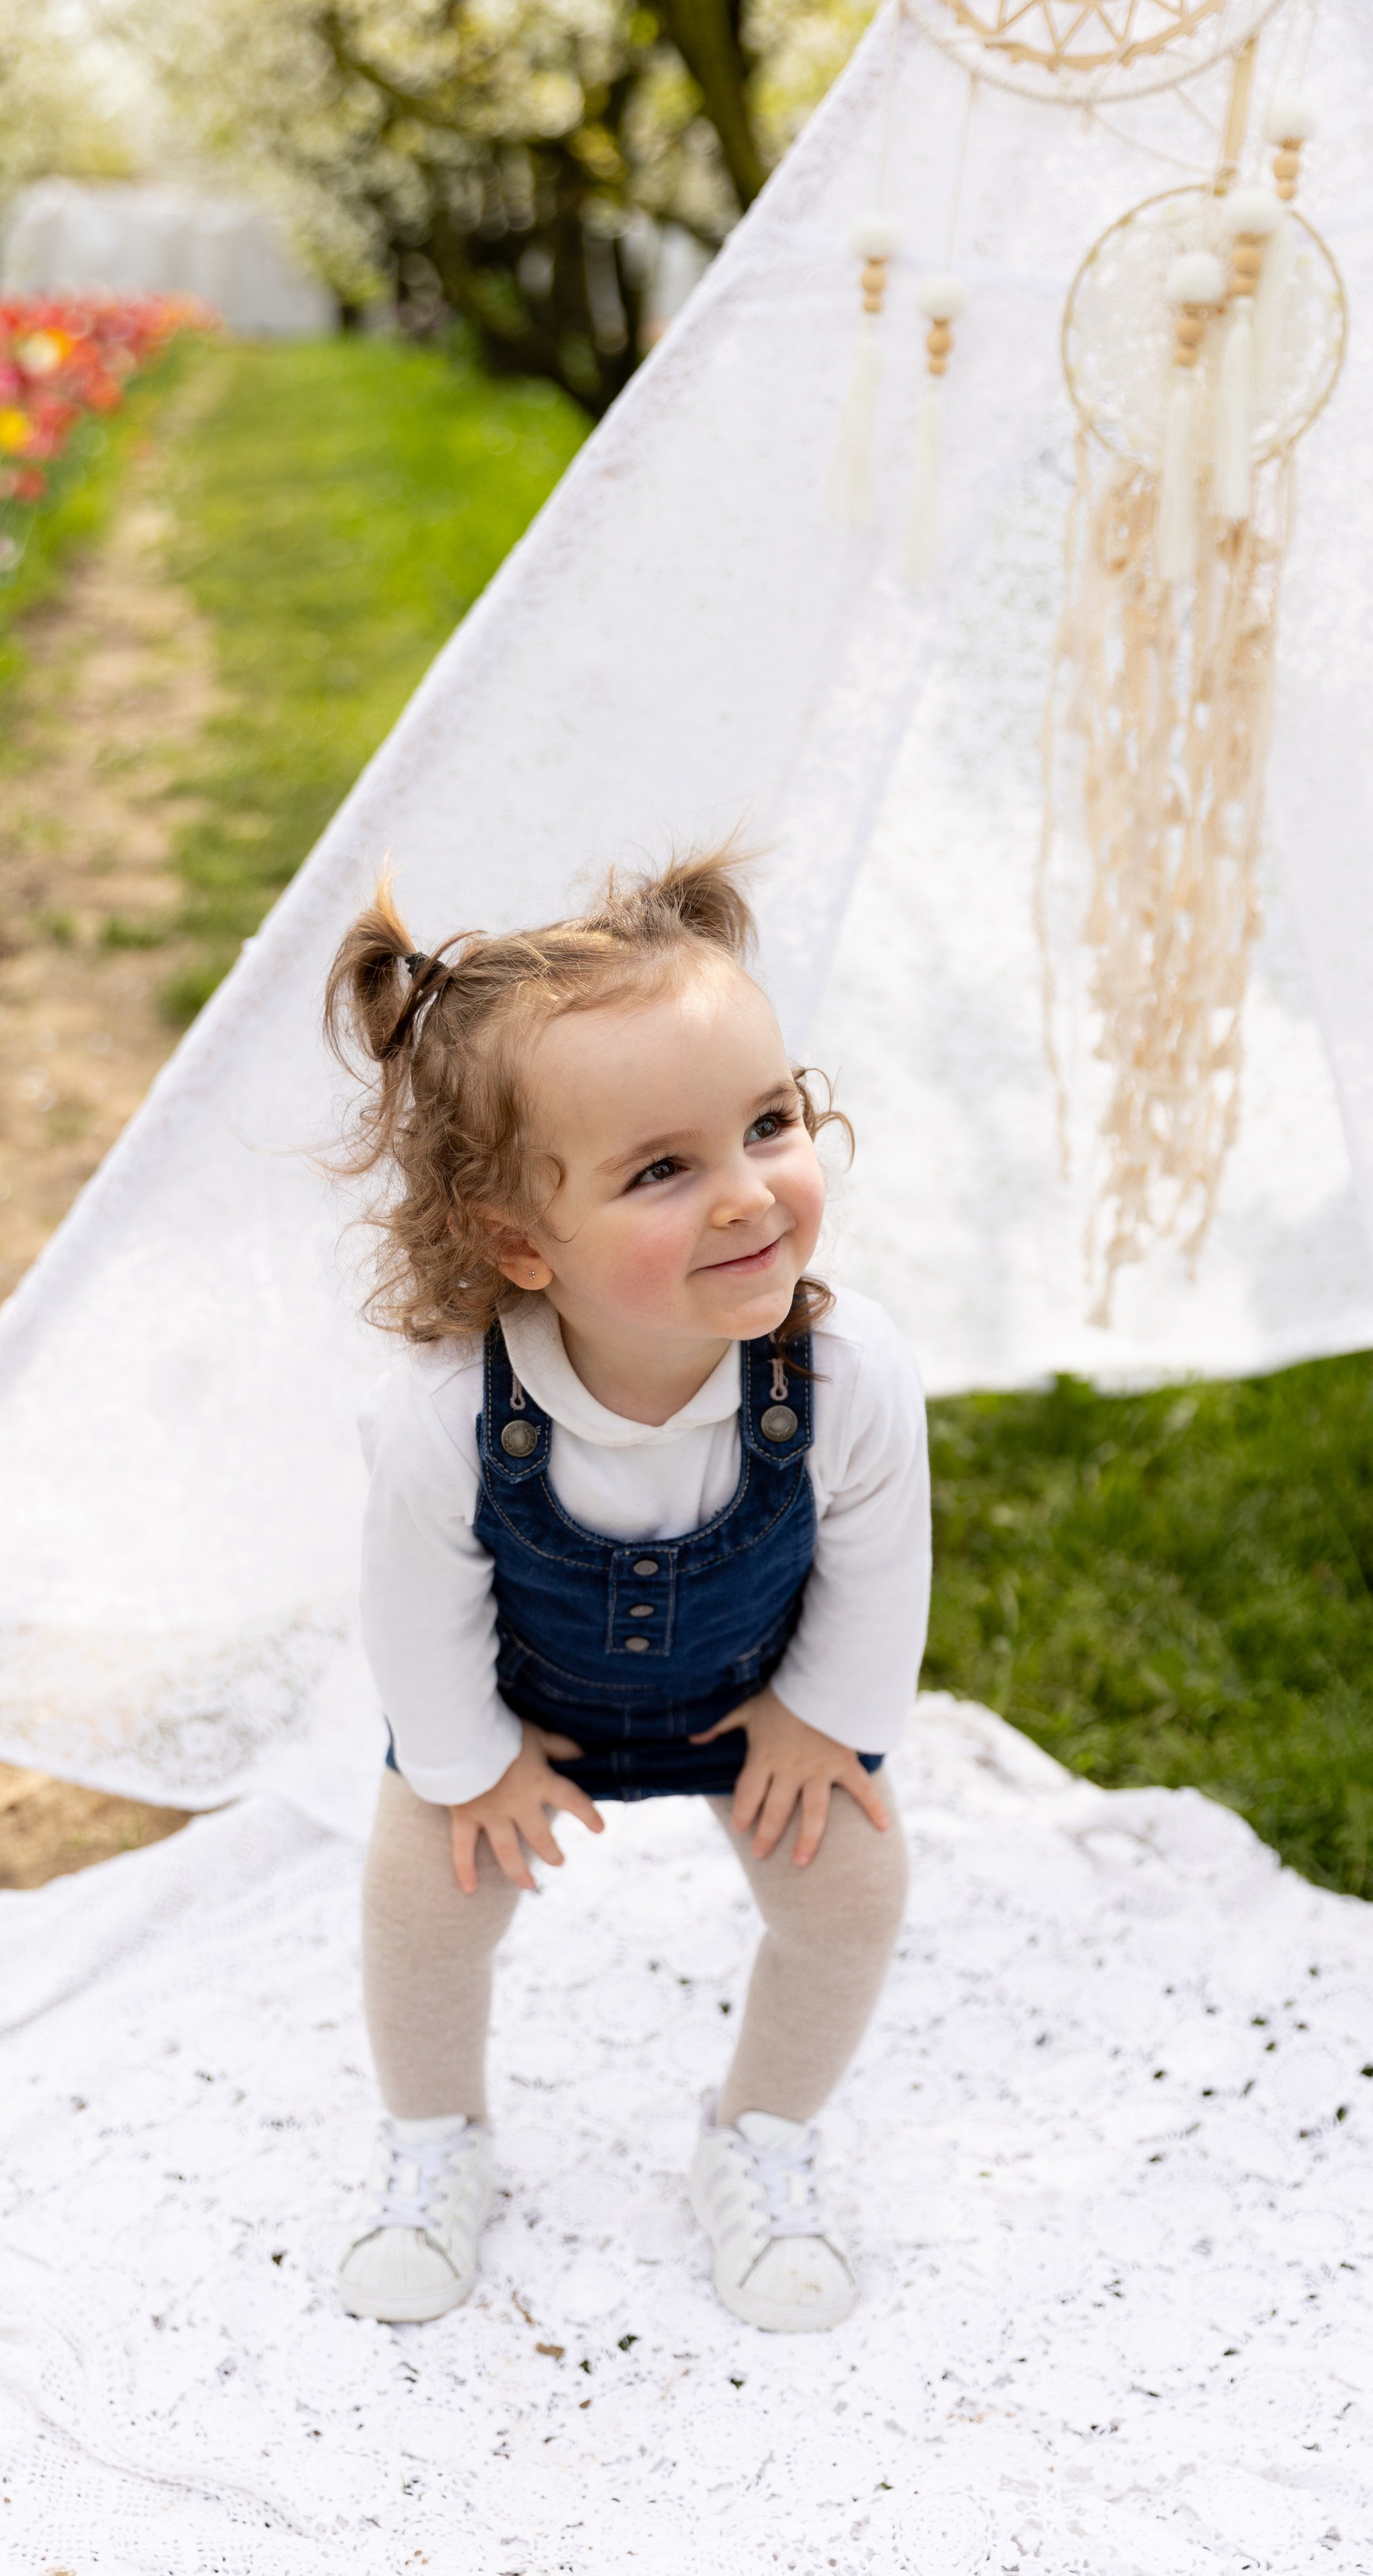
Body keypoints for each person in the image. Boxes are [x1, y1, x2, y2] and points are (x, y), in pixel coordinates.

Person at [326, 849, 929, 2334]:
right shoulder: (443, 1415)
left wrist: (822, 1723)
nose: (746, 1196)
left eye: (767, 1124)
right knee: (422, 1905)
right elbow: (413, 1617)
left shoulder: (845, 1377)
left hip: (750, 1706)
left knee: (849, 1894)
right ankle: (434, 2144)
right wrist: (470, 1771)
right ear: (520, 1244)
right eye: (663, 1169)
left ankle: (762, 2139)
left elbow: (875, 1564)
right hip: (525, 1715)